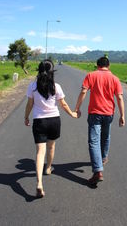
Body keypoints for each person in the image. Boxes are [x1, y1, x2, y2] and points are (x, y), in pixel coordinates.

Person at [24, 60, 79, 198]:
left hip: (39, 121)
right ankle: (48, 168)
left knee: (39, 152)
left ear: (39, 70)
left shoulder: (32, 86)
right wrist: (72, 113)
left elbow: (29, 104)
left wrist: (26, 117)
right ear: (51, 71)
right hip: (54, 120)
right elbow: (63, 104)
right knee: (51, 146)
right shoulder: (56, 86)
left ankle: (39, 183)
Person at [75, 56, 125, 185]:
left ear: (97, 65)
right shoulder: (115, 78)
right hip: (109, 113)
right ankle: (102, 158)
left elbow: (83, 91)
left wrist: (77, 108)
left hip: (95, 113)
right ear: (109, 66)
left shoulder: (91, 75)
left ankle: (98, 171)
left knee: (94, 141)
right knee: (105, 136)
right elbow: (119, 98)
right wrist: (122, 115)